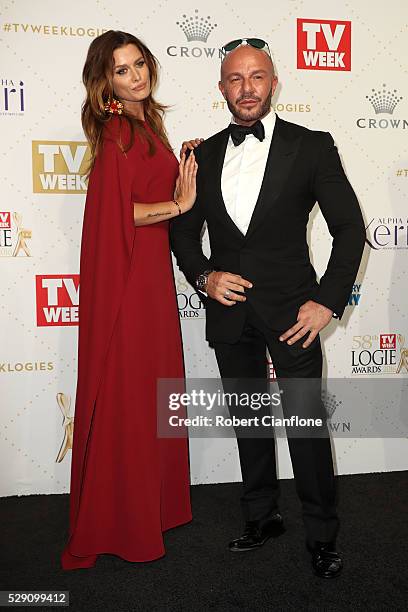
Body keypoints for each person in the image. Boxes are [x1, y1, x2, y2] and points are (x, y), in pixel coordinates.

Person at [170, 37, 365, 578]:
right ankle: (261, 517)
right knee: (249, 424)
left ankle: (323, 536)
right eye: (235, 78)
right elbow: (183, 233)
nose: (246, 88)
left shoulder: (313, 145)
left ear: (274, 83)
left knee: (305, 427)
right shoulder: (200, 155)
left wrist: (327, 301)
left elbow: (350, 229)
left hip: (294, 314)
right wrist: (204, 277)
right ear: (221, 88)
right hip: (230, 315)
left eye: (257, 77)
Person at [61, 30, 197, 570]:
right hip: (130, 280)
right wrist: (178, 204)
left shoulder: (147, 126)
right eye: (122, 70)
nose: (136, 75)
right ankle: (124, 519)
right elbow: (117, 215)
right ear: (106, 82)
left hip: (151, 279)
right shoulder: (118, 131)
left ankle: (151, 507)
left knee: (152, 392)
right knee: (133, 394)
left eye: (139, 63)